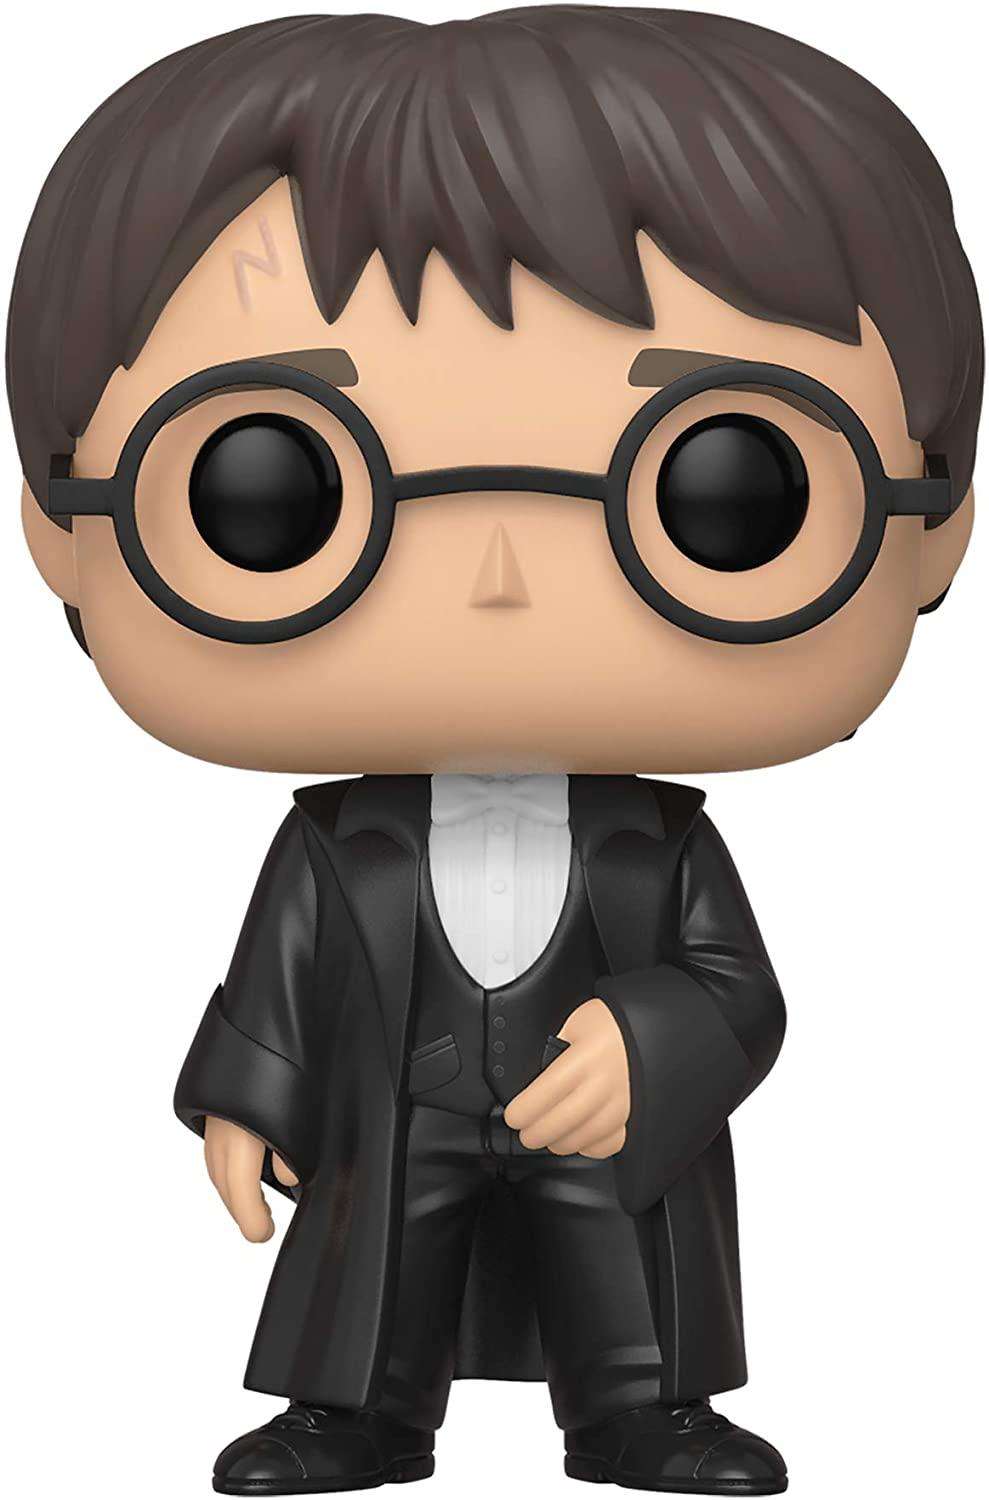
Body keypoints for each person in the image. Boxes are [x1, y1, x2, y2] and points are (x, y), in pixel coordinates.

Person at [9, 10, 980, 1495]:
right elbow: (277, 978)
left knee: (623, 1255)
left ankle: (644, 1410)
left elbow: (742, 992)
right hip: (401, 1112)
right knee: (378, 1255)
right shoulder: (334, 843)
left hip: (605, 1121)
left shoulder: (663, 845)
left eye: (727, 491)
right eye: (271, 491)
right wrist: (245, 1097)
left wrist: (651, 1039)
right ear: (62, 533)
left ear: (936, 529)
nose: (500, 581)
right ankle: (355, 1413)